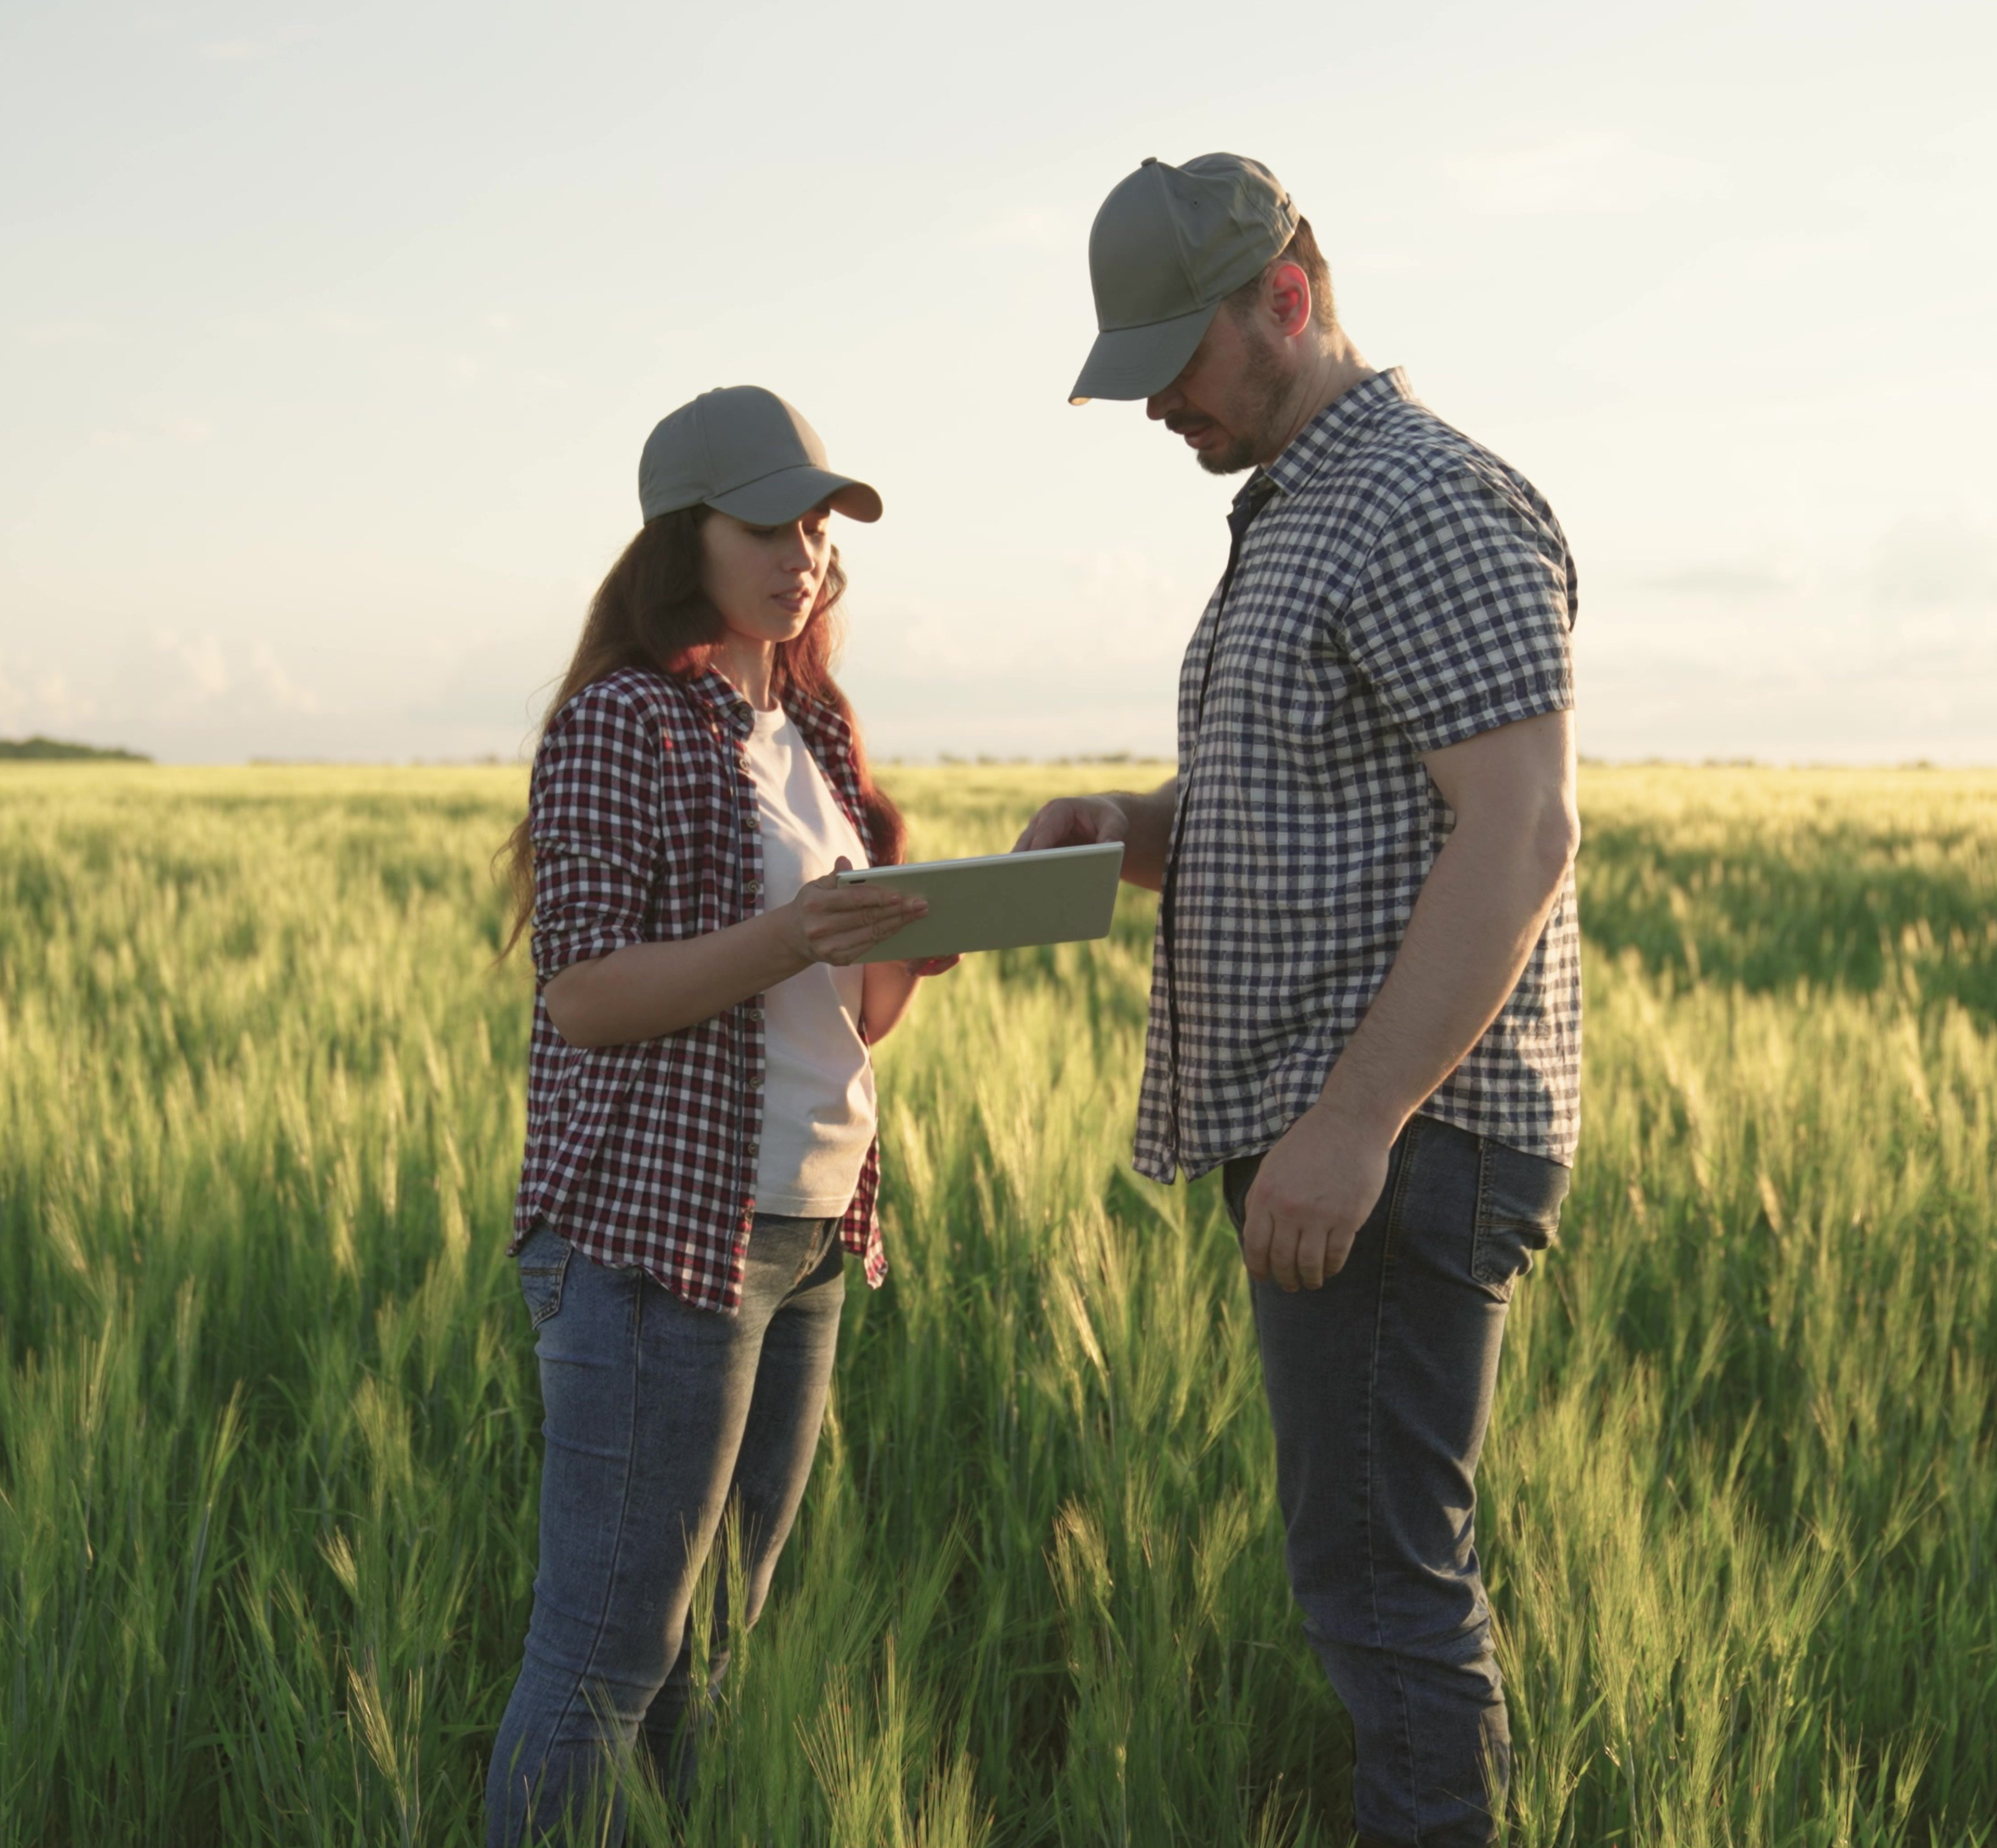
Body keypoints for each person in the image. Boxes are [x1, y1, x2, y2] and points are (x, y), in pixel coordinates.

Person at [1020, 156, 1581, 1848]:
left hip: (1392, 1141)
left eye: (1172, 366)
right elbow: (1319, 813)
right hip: (1342, 1137)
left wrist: (1352, 1124)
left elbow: (1521, 826)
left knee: (1383, 1584)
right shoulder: (1303, 513)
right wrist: (1130, 834)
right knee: (1365, 1572)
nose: (1157, 410)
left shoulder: (1417, 499)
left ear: (1287, 293)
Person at [486, 385, 956, 1844]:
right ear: (681, 537)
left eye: (819, 523)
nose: (803, 552)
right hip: (656, 1245)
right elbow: (582, 996)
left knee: (719, 1661)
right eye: (768, 521)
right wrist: (797, 933)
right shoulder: (622, 722)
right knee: (607, 1665)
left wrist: (903, 956)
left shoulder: (813, 731)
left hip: (807, 1235)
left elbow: (843, 1017)